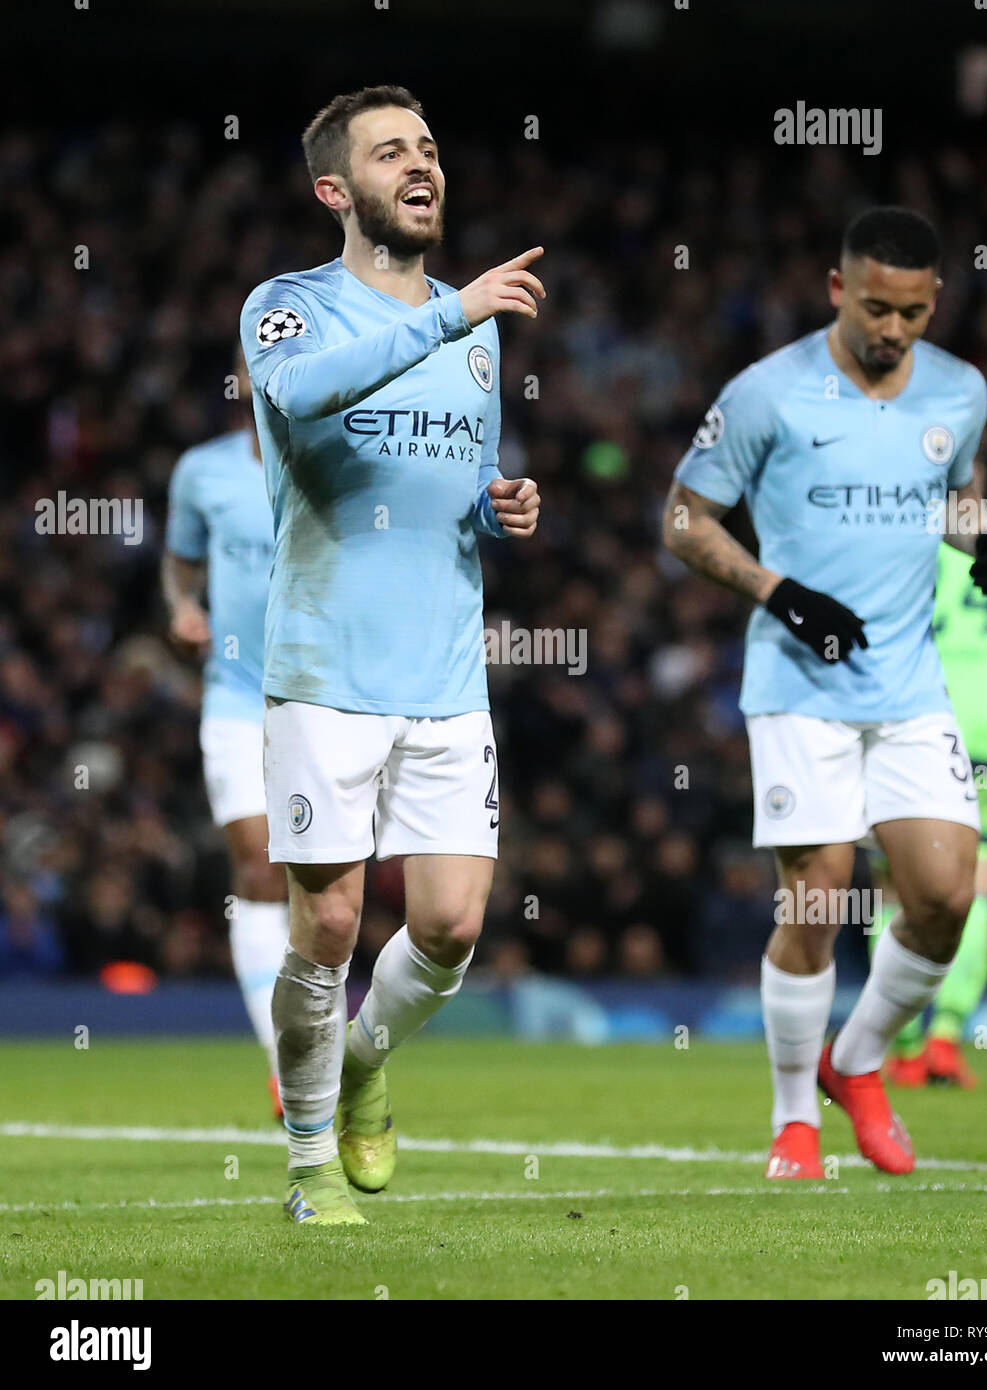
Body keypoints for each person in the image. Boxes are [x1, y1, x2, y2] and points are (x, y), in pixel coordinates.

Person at [663, 206, 987, 1179]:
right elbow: (683, 519)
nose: (891, 330)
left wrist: (977, 542)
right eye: (872, 307)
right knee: (817, 898)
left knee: (945, 895)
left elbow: (951, 496)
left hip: (908, 682)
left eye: (909, 311)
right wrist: (779, 593)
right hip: (797, 684)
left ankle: (853, 1060)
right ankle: (792, 1123)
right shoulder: (766, 393)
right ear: (836, 289)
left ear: (932, 301)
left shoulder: (960, 389)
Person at [239, 85, 543, 1225]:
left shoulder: (474, 335)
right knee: (324, 925)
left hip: (446, 675)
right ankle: (310, 1163)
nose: (420, 165)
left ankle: (365, 1059)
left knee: (454, 924)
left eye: (426, 146)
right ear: (336, 189)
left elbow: (450, 486)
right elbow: (299, 401)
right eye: (388, 152)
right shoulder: (289, 308)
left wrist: (496, 505)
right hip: (324, 669)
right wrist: (447, 314)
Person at [868, 459, 987, 1087]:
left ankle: (901, 1040)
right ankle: (948, 1036)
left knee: (893, 886)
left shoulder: (897, 533)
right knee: (981, 879)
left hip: (916, 715)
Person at [163, 350, 289, 1116]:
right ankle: (287, 1063)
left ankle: (319, 1039)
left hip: (327, 701)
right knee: (259, 863)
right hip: (237, 699)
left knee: (321, 881)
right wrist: (181, 608)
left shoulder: (332, 463)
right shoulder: (200, 472)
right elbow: (179, 566)